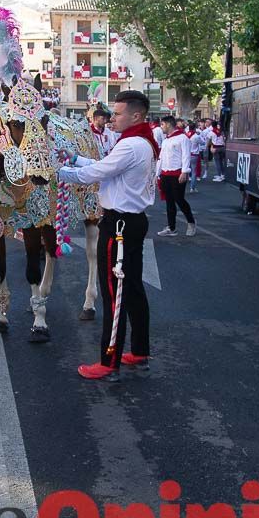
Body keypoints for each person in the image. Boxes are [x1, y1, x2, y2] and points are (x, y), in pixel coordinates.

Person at [57, 90, 158, 381]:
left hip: (120, 227)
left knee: (114, 292)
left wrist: (55, 172)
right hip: (130, 222)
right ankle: (139, 351)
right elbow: (106, 169)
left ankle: (109, 361)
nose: (112, 118)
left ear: (136, 116)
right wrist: (75, 159)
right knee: (133, 290)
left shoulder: (131, 145)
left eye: (117, 113)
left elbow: (97, 173)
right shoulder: (139, 141)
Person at [156, 115, 196, 237]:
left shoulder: (182, 138)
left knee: (179, 199)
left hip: (177, 174)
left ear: (168, 124)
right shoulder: (166, 140)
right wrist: (157, 174)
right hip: (165, 174)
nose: (161, 127)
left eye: (162, 124)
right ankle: (171, 227)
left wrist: (184, 171)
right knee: (169, 202)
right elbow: (161, 158)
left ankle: (191, 222)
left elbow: (186, 156)